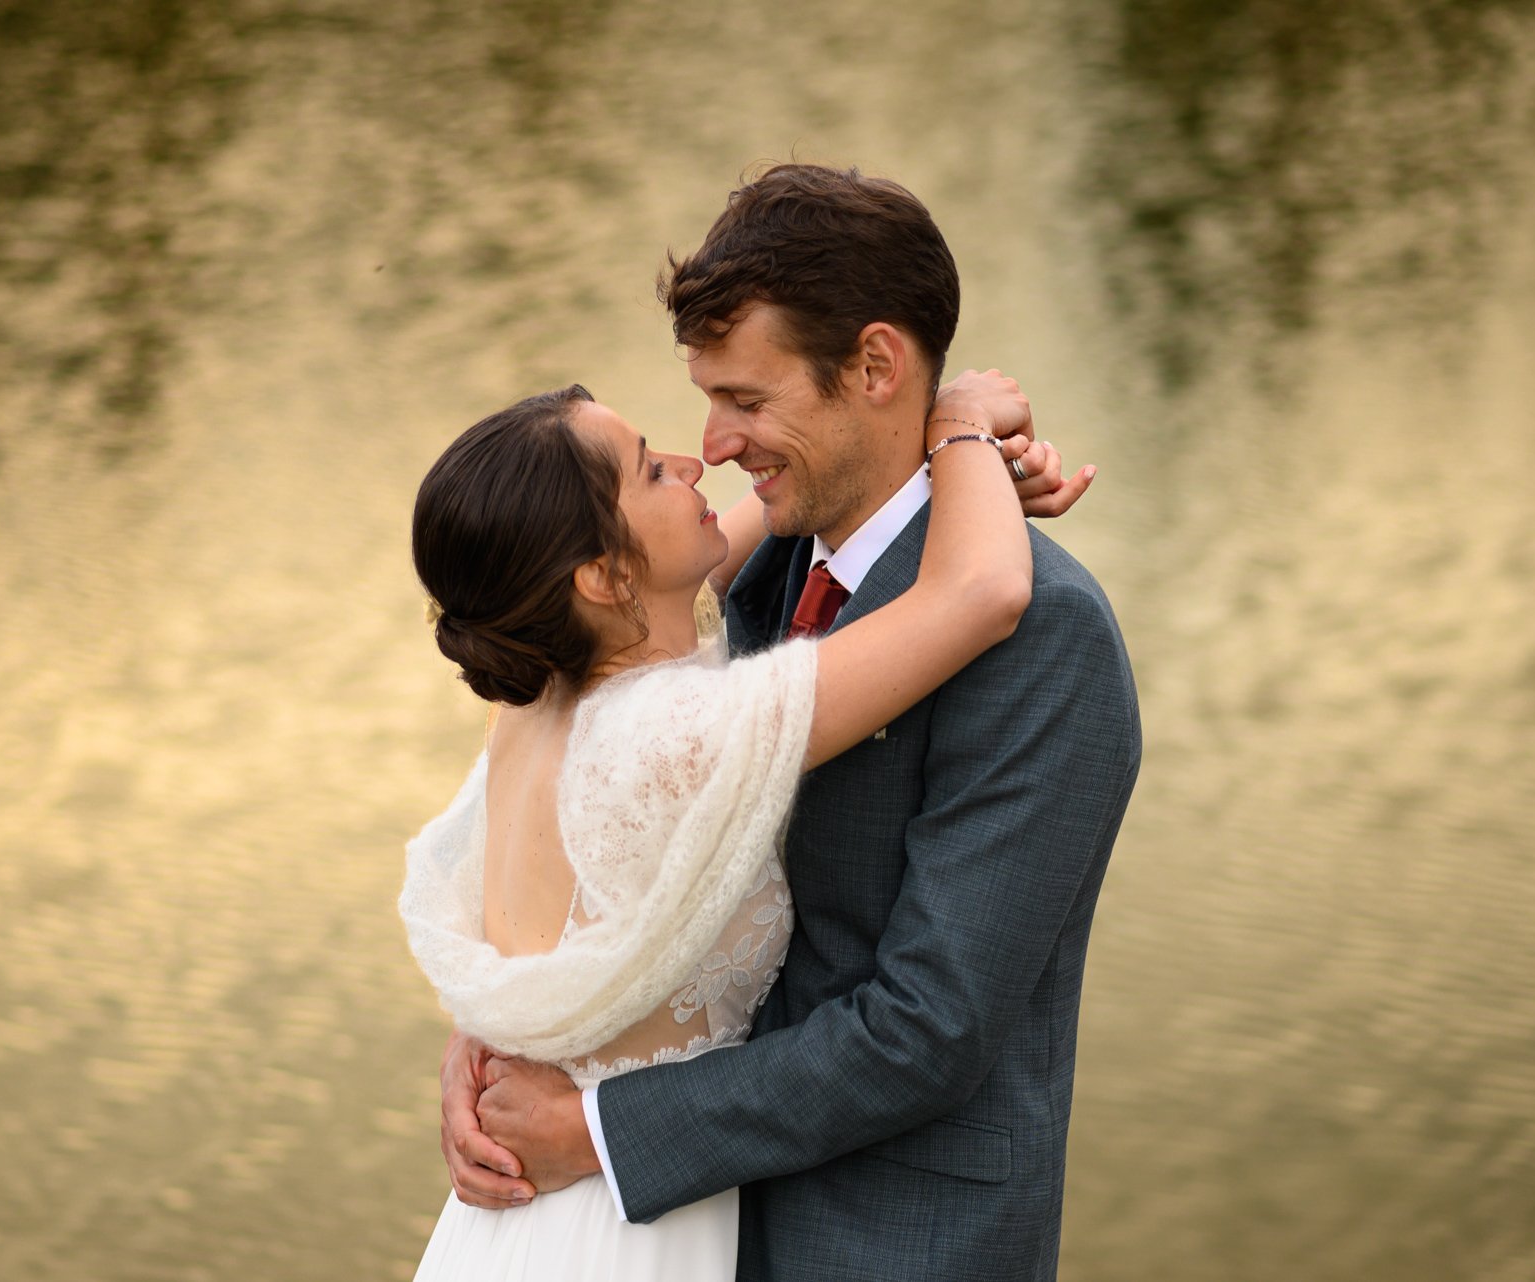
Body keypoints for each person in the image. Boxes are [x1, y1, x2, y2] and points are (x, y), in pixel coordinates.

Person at [434, 164, 1142, 1282]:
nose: (712, 444)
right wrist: (514, 1040)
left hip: (888, 1243)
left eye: (748, 402)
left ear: (874, 366)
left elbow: (929, 1025)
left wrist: (599, 1130)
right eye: (708, 398)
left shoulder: (1046, 639)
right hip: (677, 1226)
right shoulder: (749, 571)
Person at [402, 365, 1059, 1280]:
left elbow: (784, 518)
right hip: (622, 1232)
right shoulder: (674, 737)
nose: (694, 461)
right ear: (600, 573)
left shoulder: (537, 693)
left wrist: (942, 478)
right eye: (650, 472)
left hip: (512, 1229)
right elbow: (983, 591)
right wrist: (960, 428)